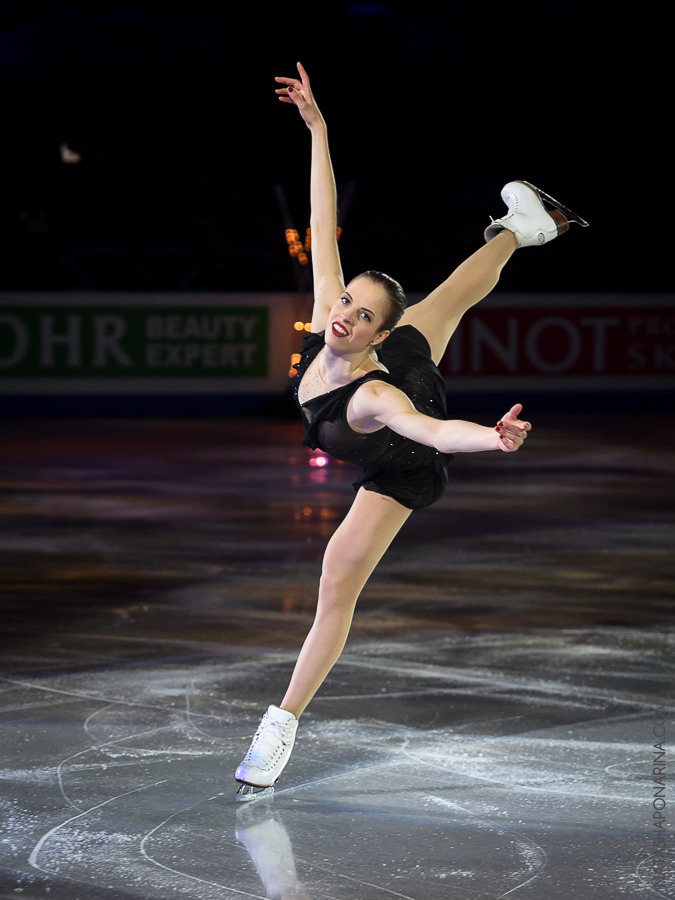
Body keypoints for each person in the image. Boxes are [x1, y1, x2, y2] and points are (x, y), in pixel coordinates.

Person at [235, 63, 588, 800]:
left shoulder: (373, 395)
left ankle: (280, 726)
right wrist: (318, 127)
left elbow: (428, 430)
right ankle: (523, 228)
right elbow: (318, 209)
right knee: (453, 294)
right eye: (345, 303)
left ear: (376, 336)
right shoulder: (336, 319)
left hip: (398, 455)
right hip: (395, 363)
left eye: (362, 315)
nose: (343, 313)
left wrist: (491, 439)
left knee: (336, 581)